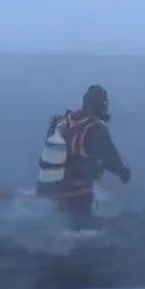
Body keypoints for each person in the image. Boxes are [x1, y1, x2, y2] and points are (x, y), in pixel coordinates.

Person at [36, 85, 131, 229]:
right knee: (82, 230)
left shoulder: (60, 120)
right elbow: (111, 158)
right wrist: (124, 172)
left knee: (59, 220)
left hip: (50, 185)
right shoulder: (97, 128)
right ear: (102, 105)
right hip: (78, 192)